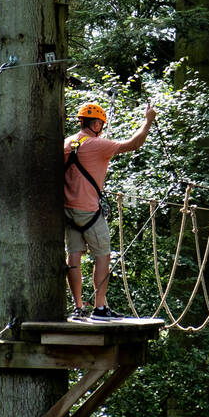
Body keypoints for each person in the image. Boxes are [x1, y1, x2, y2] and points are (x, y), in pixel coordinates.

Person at [65, 100, 156, 320]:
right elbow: (134, 144)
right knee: (103, 255)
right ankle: (100, 307)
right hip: (89, 210)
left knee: (74, 257)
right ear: (95, 124)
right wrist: (148, 121)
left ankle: (78, 307)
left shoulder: (67, 143)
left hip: (67, 210)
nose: (101, 128)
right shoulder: (98, 144)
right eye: (100, 124)